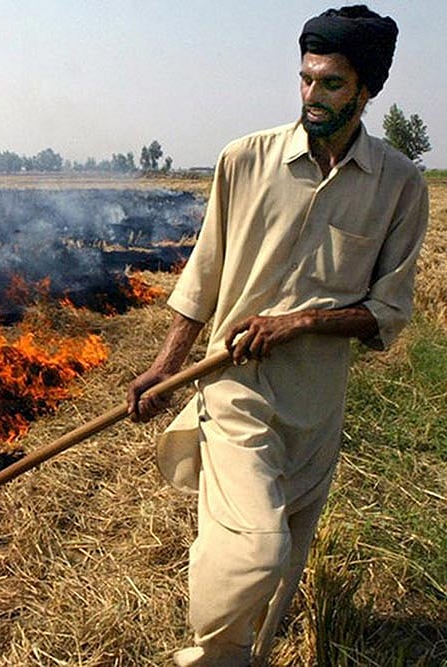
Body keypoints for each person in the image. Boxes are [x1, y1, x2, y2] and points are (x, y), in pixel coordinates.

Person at [125, 5, 428, 666]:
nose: (312, 96)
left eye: (331, 84)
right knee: (255, 548)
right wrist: (162, 364)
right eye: (305, 79)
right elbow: (203, 276)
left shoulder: (400, 186)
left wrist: (301, 321)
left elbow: (388, 313)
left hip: (317, 405)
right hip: (234, 389)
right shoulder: (244, 160)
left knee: (281, 569)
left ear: (367, 91)